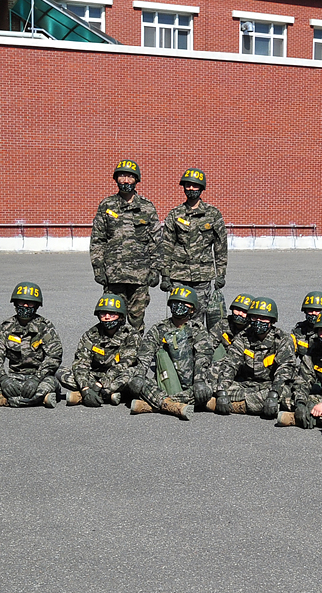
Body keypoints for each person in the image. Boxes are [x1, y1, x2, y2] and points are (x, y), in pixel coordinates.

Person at [129, 285, 219, 419]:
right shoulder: (158, 329)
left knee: (211, 385)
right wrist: (140, 375)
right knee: (133, 379)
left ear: (192, 309)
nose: (179, 306)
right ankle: (173, 404)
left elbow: (203, 357)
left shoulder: (197, 329)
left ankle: (160, 404)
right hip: (166, 381)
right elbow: (145, 355)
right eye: (175, 303)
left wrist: (199, 382)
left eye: (184, 304)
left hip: (193, 382)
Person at [91, 159, 160, 330]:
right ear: (116, 179)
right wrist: (98, 268)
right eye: (122, 176)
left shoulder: (147, 207)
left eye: (130, 177)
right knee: (113, 318)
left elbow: (156, 241)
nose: (126, 180)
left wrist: (156, 269)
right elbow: (98, 239)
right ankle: (116, 355)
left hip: (140, 275)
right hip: (113, 274)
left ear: (136, 180)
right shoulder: (107, 205)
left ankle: (136, 353)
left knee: (137, 320)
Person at [0, 282, 63, 408]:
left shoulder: (45, 327)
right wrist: (4, 380)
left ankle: (4, 400)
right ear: (15, 303)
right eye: (21, 302)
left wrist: (36, 379)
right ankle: (38, 399)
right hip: (14, 377)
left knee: (51, 383)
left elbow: (54, 356)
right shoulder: (6, 327)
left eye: (30, 303)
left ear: (36, 305)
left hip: (39, 377)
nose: (25, 306)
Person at [157, 168, 227, 329]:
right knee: (178, 313)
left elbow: (220, 247)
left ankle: (198, 349)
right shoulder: (175, 214)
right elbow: (166, 246)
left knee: (198, 315)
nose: (191, 188)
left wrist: (220, 274)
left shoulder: (213, 214)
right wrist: (165, 276)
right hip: (179, 275)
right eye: (187, 185)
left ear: (201, 188)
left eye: (195, 186)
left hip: (202, 276)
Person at [209, 296, 296, 418]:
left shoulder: (283, 339)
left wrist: (274, 394)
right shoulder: (243, 338)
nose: (258, 321)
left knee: (286, 394)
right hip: (246, 384)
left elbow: (285, 371)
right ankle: (243, 404)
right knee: (211, 387)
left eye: (263, 318)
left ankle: (224, 405)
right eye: (255, 317)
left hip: (271, 386)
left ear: (272, 321)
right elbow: (230, 364)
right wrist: (222, 391)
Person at [58, 292, 141, 408]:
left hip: (116, 376)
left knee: (133, 375)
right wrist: (85, 387)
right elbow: (81, 363)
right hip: (95, 376)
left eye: (112, 314)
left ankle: (92, 395)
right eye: (103, 313)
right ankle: (104, 395)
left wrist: (101, 384)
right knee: (61, 372)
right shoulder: (91, 335)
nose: (107, 317)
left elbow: (126, 363)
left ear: (121, 316)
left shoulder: (131, 335)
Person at [209, 293, 255, 357]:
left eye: (244, 311)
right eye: (237, 310)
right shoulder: (224, 324)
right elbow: (209, 342)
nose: (240, 314)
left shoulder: (253, 330)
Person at [290, 291, 322, 359]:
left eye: (318, 310)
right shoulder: (299, 331)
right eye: (310, 310)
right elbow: (290, 356)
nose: (314, 313)